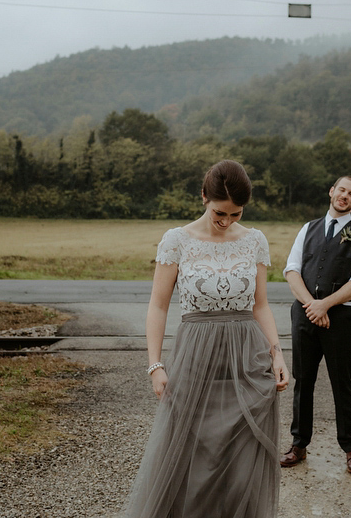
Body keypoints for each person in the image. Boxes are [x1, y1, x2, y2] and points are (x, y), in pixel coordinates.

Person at [124, 159, 289, 518]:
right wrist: (155, 365)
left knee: (244, 465)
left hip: (248, 357)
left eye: (236, 214)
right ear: (203, 197)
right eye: (220, 214)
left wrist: (277, 353)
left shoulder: (255, 241)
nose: (228, 221)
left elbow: (260, 306)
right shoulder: (176, 240)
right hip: (196, 357)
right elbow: (158, 305)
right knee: (193, 459)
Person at [279, 175, 351, 475]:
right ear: (332, 192)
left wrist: (326, 304)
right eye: (341, 190)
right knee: (303, 380)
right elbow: (291, 270)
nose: (344, 196)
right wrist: (312, 305)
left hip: (341, 319)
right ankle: (298, 445)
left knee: (341, 383)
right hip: (305, 314)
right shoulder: (308, 228)